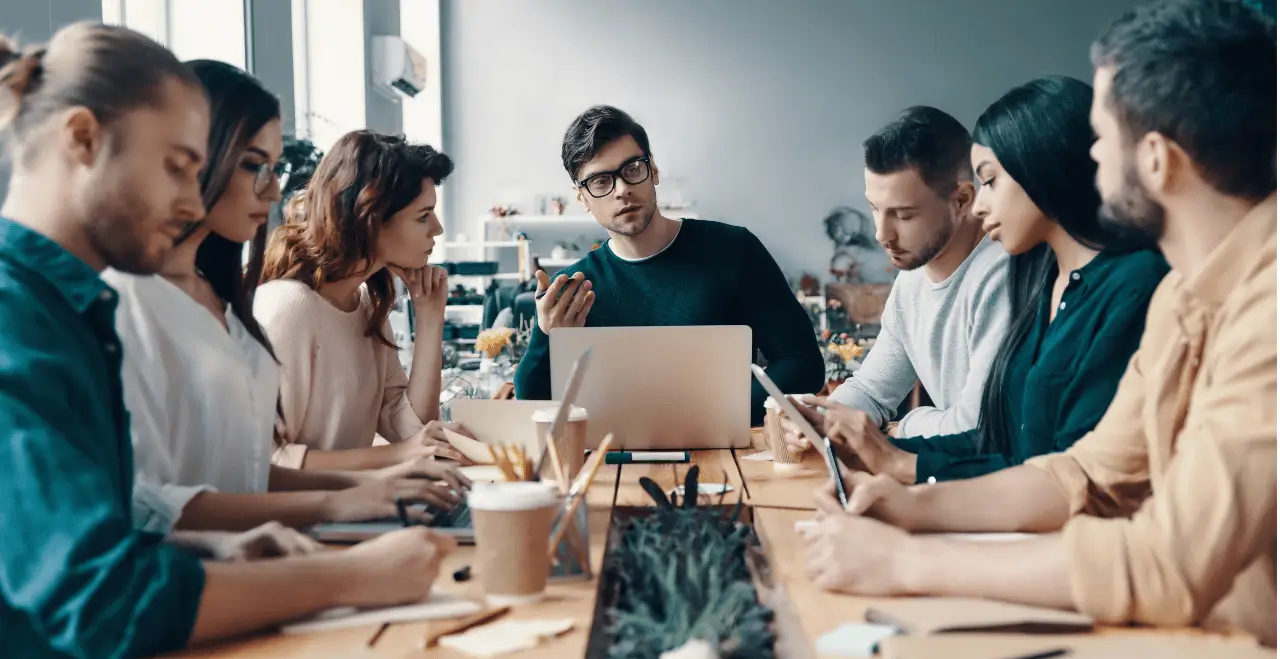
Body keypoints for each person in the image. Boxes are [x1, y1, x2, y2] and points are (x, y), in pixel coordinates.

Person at [0, 25, 454, 659]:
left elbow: (122, 519)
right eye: (179, 166)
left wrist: (217, 548)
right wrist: (348, 574)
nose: (191, 201)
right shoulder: (20, 320)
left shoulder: (70, 307)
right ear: (84, 140)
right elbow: (101, 599)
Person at [801, 0, 1276, 645]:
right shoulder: (1184, 296)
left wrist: (908, 561)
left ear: (1157, 160)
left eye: (1104, 139)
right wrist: (916, 507)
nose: (1092, 159)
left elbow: (1170, 564)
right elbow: (1084, 474)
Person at [107, 61, 468, 534]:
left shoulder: (228, 301)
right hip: (250, 553)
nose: (277, 189)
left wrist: (383, 487)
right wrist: (362, 489)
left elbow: (244, 476)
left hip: (261, 547)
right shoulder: (277, 306)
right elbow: (159, 502)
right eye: (256, 165)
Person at [794, 77, 1169, 484]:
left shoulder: (1030, 274)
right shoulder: (1039, 280)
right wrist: (834, 422)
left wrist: (898, 442)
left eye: (989, 181)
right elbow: (1019, 451)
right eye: (874, 209)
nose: (882, 234)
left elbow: (1013, 447)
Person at [511, 105, 823, 425]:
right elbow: (532, 403)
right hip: (613, 463)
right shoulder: (574, 287)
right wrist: (547, 335)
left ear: (654, 170)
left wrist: (719, 413)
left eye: (632, 169)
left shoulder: (734, 250)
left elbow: (803, 364)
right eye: (600, 181)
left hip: (727, 454)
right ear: (582, 198)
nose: (622, 190)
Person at [256, 131, 470, 471]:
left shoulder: (367, 305)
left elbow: (411, 431)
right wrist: (400, 454)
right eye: (423, 216)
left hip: (350, 509)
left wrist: (430, 318)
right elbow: (267, 461)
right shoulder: (288, 307)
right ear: (372, 220)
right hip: (299, 518)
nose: (438, 229)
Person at [821, 106, 1013, 438]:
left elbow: (977, 426)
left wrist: (902, 428)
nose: (882, 234)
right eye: (875, 208)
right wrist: (822, 416)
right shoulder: (912, 277)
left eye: (904, 215)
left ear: (962, 200)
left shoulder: (1001, 277)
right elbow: (872, 389)